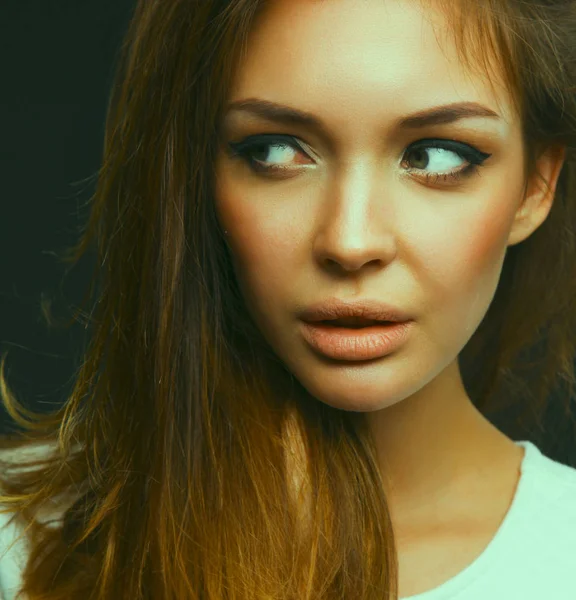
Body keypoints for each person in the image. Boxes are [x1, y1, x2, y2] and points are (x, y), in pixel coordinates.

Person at [1, 0, 576, 598]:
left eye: (435, 156)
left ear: (536, 186)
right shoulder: (18, 540)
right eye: (276, 151)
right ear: (198, 177)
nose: (350, 242)